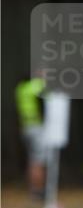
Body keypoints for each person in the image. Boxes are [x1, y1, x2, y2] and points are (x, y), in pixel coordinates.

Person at [15, 72, 47, 200]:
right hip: (37, 127)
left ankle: (33, 189)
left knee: (32, 160)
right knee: (38, 161)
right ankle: (39, 191)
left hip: (25, 127)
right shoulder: (37, 86)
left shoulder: (21, 88)